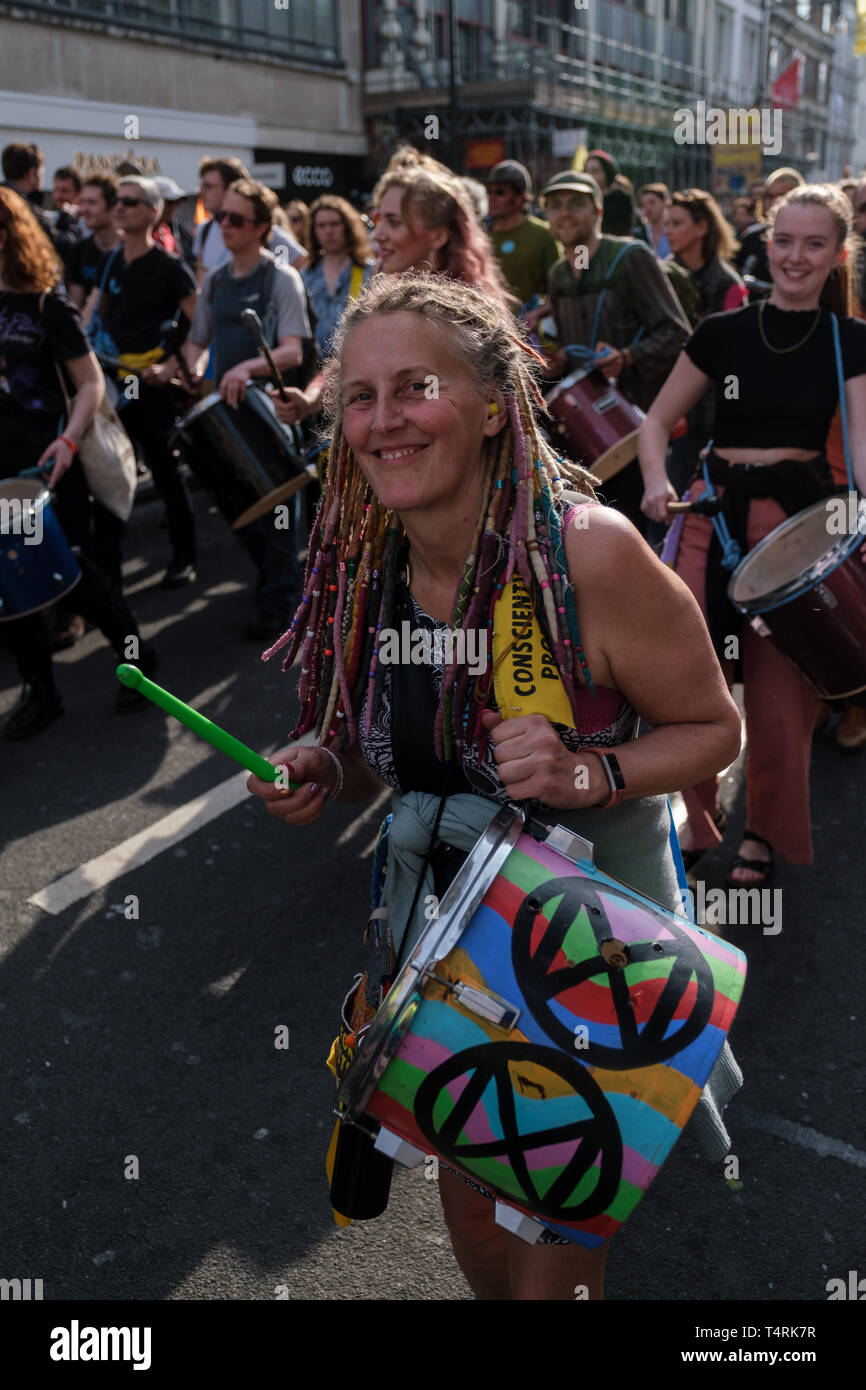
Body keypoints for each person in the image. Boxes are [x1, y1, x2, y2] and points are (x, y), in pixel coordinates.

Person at [245, 270, 742, 1300]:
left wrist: (585, 769)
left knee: (553, 1252)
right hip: (445, 962)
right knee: (472, 1215)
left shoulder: (585, 554)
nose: (382, 421)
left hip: (586, 970)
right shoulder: (363, 557)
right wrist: (319, 767)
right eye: (359, 398)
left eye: (413, 387)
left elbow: (710, 728)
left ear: (487, 404)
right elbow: (363, 757)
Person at [639, 183, 866, 883]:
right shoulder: (721, 331)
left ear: (836, 254)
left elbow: (862, 451)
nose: (796, 257)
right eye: (785, 241)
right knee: (693, 687)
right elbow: (653, 424)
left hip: (801, 529)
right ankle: (696, 820)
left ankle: (764, 834)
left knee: (780, 699)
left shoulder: (848, 340)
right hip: (713, 519)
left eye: (815, 244)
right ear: (767, 244)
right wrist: (656, 481)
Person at [0, 188, 155, 738]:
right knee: (12, 582)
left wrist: (66, 442)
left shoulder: (46, 304)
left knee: (75, 578)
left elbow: (90, 384)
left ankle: (138, 659)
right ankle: (41, 692)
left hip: (46, 465)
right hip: (1, 473)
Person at [274, 160, 509, 428]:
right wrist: (308, 400)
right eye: (378, 220)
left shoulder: (471, 317)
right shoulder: (381, 298)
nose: (378, 236)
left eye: (394, 222)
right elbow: (346, 365)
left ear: (438, 235)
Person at [180, 177, 311, 640]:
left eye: (236, 219)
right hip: (225, 411)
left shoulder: (282, 278)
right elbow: (197, 340)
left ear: (261, 228)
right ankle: (276, 586)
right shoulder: (214, 281)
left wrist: (248, 368)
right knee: (241, 510)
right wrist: (189, 368)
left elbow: (294, 350)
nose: (225, 225)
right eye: (221, 217)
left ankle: (283, 603)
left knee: (279, 517)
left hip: (269, 409)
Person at [537, 170, 691, 528]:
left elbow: (678, 334)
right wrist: (559, 360)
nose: (565, 213)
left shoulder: (630, 256)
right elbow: (573, 350)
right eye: (555, 205)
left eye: (577, 203)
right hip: (588, 435)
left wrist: (626, 357)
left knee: (644, 536)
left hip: (638, 430)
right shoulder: (559, 274)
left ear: (598, 211)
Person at [97, 175, 199, 588]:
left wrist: (173, 368)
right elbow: (99, 317)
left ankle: (184, 556)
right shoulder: (112, 262)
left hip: (153, 388)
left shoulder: (170, 267)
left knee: (165, 474)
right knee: (111, 475)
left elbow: (200, 325)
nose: (119, 207)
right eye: (117, 201)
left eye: (130, 202)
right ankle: (108, 571)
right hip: (116, 386)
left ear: (153, 211)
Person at [664, 189, 748, 489]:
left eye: (677, 223)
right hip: (667, 407)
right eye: (667, 223)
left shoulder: (727, 284)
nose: (668, 230)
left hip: (710, 412)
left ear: (702, 227)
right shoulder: (662, 275)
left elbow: (735, 362)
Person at [193, 156, 305, 285]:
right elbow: (202, 277)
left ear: (231, 188)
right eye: (202, 186)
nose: (201, 192)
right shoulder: (204, 231)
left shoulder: (257, 228)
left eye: (208, 186)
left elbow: (300, 261)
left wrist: (273, 288)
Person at [300, 194, 373, 362]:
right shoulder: (304, 276)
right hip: (313, 370)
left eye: (334, 224)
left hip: (356, 364)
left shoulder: (368, 271)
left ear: (347, 227)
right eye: (321, 225)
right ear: (314, 230)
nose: (328, 231)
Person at [485, 159, 560, 308]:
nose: (491, 198)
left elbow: (559, 290)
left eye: (500, 192)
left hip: (526, 326)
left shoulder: (543, 234)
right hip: (488, 323)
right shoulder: (481, 235)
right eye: (490, 191)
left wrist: (537, 314)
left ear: (520, 198)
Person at [1, 142, 80, 265]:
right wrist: (69, 219)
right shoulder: (23, 207)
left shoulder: (6, 200)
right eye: (42, 171)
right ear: (32, 173)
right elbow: (57, 245)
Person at [65, 175, 122, 316]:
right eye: (83, 202)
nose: (84, 209)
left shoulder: (130, 250)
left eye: (92, 203)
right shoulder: (79, 251)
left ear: (113, 207)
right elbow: (75, 305)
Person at [639, 183, 671, 258]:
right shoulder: (641, 232)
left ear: (664, 202)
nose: (647, 209)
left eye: (652, 202)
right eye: (643, 205)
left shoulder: (673, 232)